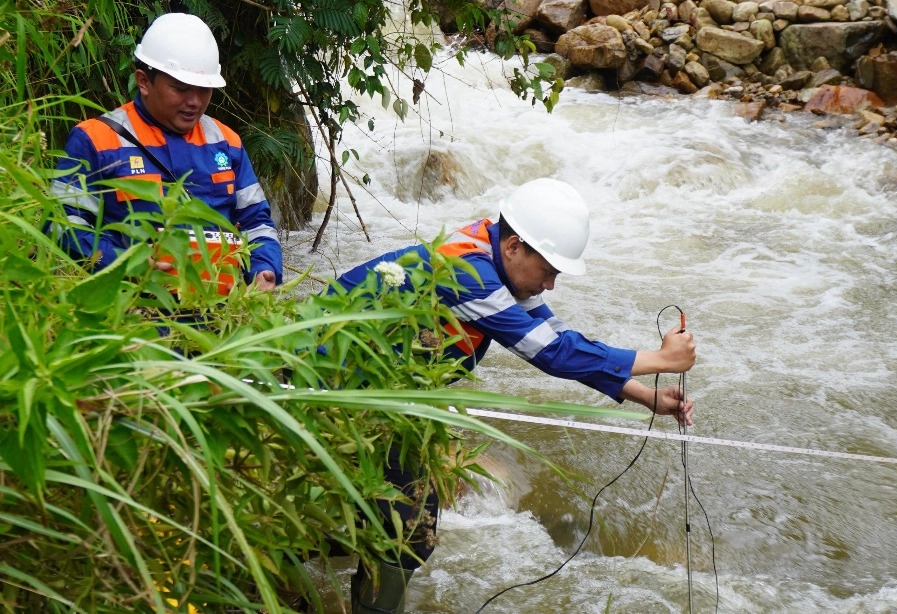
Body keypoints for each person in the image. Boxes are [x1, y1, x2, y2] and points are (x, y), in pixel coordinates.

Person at [332, 177, 697, 613]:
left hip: (386, 396)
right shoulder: (465, 271)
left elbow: (558, 337)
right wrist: (659, 359)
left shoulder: (494, 256)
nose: (550, 285)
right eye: (548, 271)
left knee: (408, 526)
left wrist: (646, 396)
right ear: (514, 247)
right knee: (405, 525)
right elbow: (551, 353)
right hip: (333, 387)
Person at [50, 13, 282, 290]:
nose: (194, 101)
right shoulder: (95, 139)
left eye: (204, 90)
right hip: (133, 311)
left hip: (220, 315)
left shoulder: (226, 141)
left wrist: (264, 268)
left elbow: (257, 223)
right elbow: (61, 226)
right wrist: (126, 262)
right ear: (144, 82)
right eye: (181, 88)